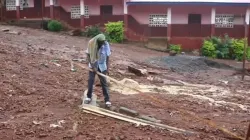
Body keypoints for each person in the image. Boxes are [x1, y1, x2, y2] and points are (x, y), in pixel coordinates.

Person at [84, 34, 111, 107]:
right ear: (97, 42)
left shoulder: (106, 44)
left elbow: (108, 56)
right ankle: (88, 97)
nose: (103, 43)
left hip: (102, 65)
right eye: (101, 42)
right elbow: (88, 55)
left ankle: (107, 100)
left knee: (104, 83)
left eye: (103, 42)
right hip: (93, 63)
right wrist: (93, 67)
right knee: (91, 80)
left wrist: (107, 68)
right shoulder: (91, 43)